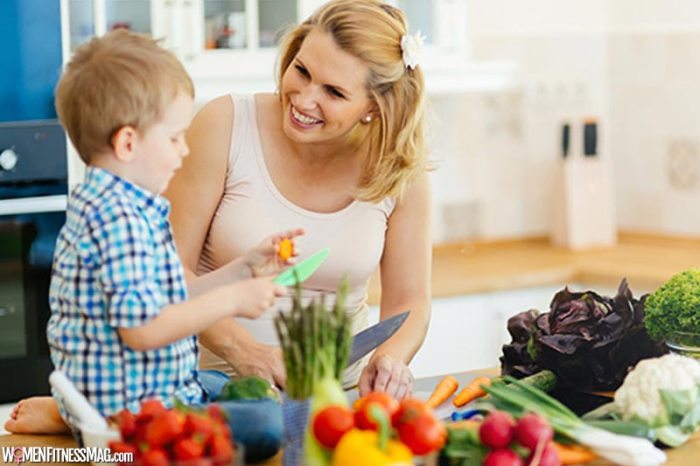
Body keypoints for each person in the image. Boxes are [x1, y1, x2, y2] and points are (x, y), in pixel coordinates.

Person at [4, 29, 301, 434]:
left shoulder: (120, 205)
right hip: (137, 418)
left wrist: (244, 270)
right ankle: (75, 419)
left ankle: (68, 413)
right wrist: (233, 299)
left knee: (231, 387)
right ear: (128, 143)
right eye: (175, 137)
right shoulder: (118, 220)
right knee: (269, 422)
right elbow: (144, 330)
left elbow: (167, 297)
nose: (184, 150)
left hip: (155, 390)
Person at [165, 0, 432, 400]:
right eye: (302, 71)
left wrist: (391, 356)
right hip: (210, 391)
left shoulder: (397, 167)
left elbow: (409, 300)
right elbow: (165, 274)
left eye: (334, 92)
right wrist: (246, 352)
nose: (304, 100)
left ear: (373, 107)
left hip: (336, 398)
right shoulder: (225, 124)